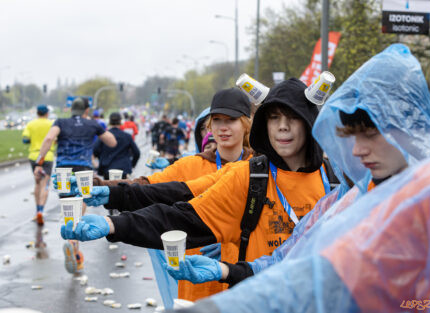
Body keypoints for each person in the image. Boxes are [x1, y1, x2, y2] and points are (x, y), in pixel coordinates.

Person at [157, 43, 430, 313]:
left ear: (408, 130)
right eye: (351, 136)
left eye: (370, 134)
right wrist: (224, 272)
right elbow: (288, 263)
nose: (358, 150)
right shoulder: (346, 199)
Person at [60, 78, 330, 299]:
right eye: (274, 117)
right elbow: (178, 204)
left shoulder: (338, 180)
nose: (283, 126)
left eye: (292, 117)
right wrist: (112, 220)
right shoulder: (249, 176)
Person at [86, 88, 254, 301]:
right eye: (217, 120)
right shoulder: (191, 165)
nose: (223, 127)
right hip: (196, 279)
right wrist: (102, 186)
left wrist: (231, 239)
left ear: (246, 124)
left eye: (231, 120)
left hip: (241, 280)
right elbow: (148, 187)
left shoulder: (258, 169)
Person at [35, 96, 117, 274]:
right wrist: (96, 131)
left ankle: (74, 247)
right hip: (83, 169)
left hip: (64, 169)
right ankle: (74, 246)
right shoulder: (93, 124)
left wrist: (40, 160)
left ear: (71, 109)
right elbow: (112, 142)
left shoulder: (61, 122)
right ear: (87, 110)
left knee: (68, 209)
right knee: (80, 206)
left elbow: (49, 139)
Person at [22, 105, 55, 225]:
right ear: (47, 113)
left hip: (34, 156)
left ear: (37, 113)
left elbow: (25, 140)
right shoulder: (51, 124)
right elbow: (55, 139)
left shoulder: (31, 124)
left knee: (37, 183)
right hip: (48, 156)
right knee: (45, 184)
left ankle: (37, 212)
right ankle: (41, 210)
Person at [93, 112, 140, 180]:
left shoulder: (104, 136)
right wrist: (131, 165)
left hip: (107, 170)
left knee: (109, 189)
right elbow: (137, 153)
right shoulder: (127, 136)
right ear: (121, 122)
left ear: (109, 122)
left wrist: (102, 159)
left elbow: (95, 151)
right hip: (123, 170)